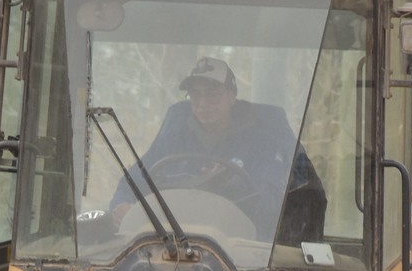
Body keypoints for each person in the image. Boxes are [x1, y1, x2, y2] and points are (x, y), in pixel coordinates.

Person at [109, 56, 325, 243]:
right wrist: (121, 205)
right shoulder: (173, 135)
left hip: (241, 258)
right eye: (195, 94)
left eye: (213, 94)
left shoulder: (262, 141)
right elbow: (134, 181)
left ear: (232, 96)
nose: (203, 103)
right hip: (173, 250)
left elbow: (273, 208)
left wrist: (233, 184)